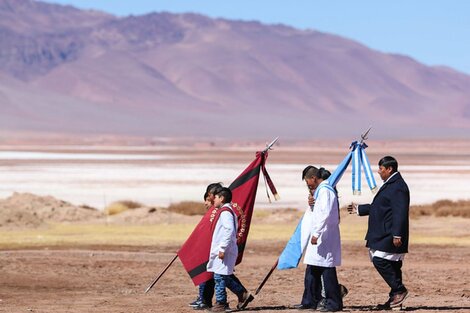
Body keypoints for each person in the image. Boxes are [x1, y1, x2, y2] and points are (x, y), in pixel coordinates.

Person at [348, 156, 410, 309]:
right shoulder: (391, 184)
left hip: (390, 233)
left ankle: (399, 290)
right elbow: (380, 206)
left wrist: (397, 234)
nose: (378, 172)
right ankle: (395, 301)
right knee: (393, 265)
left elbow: (400, 212)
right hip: (386, 232)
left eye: (381, 169)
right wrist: (359, 209)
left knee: (379, 260)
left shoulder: (398, 186)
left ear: (389, 169)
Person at [296, 166, 343, 312]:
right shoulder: (321, 191)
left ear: (313, 178)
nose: (307, 185)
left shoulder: (325, 190)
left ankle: (333, 302)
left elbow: (325, 214)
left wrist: (316, 233)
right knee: (312, 268)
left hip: (324, 236)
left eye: (307, 181)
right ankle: (310, 300)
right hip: (319, 236)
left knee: (326, 269)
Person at [206, 187, 254, 312]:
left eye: (215, 197)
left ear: (221, 198)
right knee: (224, 275)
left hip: (225, 250)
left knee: (219, 277)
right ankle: (243, 295)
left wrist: (222, 248)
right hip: (226, 249)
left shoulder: (226, 212)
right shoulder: (226, 211)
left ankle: (221, 303)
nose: (213, 200)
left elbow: (229, 230)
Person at [189, 183, 222, 310]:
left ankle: (217, 301)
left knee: (219, 277)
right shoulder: (212, 213)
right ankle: (203, 298)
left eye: (209, 198)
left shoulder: (222, 212)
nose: (207, 202)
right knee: (208, 275)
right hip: (209, 250)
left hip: (217, 250)